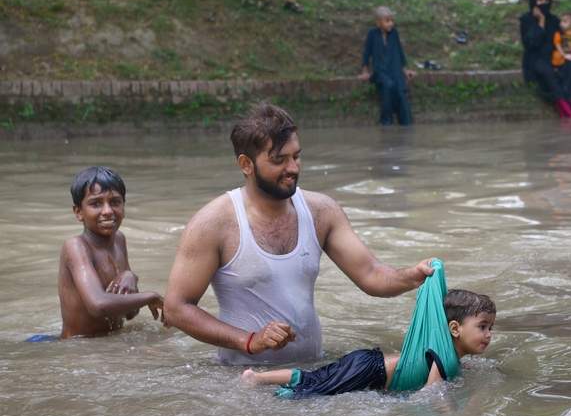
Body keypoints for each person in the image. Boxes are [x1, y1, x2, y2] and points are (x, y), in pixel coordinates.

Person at [164, 102, 434, 365]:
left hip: (312, 371)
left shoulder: (322, 211)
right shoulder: (212, 223)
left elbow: (372, 275)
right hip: (240, 379)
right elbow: (176, 308)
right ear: (246, 164)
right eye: (279, 160)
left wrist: (411, 276)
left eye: (296, 156)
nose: (292, 168)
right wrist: (249, 340)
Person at [240, 289, 496, 398]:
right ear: (455, 329)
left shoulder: (450, 354)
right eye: (482, 327)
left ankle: (258, 378)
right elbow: (430, 391)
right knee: (313, 390)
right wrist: (444, 406)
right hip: (367, 370)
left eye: (490, 328)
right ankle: (269, 387)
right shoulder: (442, 355)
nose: (488, 334)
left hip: (368, 363)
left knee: (316, 378)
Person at [58, 167, 164, 338]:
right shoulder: (76, 247)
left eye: (115, 202)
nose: (107, 211)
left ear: (124, 206)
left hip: (108, 343)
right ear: (78, 212)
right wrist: (151, 297)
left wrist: (130, 276)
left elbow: (130, 313)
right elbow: (98, 305)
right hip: (79, 349)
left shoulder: (119, 240)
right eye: (96, 203)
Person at [520, 0, 571, 118]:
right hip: (535, 59)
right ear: (533, 1)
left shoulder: (554, 20)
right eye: (539, 0)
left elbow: (566, 45)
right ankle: (565, 109)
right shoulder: (526, 20)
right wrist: (541, 22)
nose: (543, 3)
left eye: (546, 0)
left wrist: (568, 31)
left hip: (553, 57)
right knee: (547, 71)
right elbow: (532, 44)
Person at [358, 6, 416, 126]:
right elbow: (366, 53)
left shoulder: (394, 33)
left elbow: (399, 52)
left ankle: (406, 124)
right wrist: (365, 71)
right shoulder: (372, 34)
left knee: (400, 90)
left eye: (392, 21)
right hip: (380, 72)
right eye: (387, 21)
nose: (391, 24)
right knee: (387, 86)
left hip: (394, 70)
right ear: (378, 23)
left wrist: (405, 70)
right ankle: (386, 122)